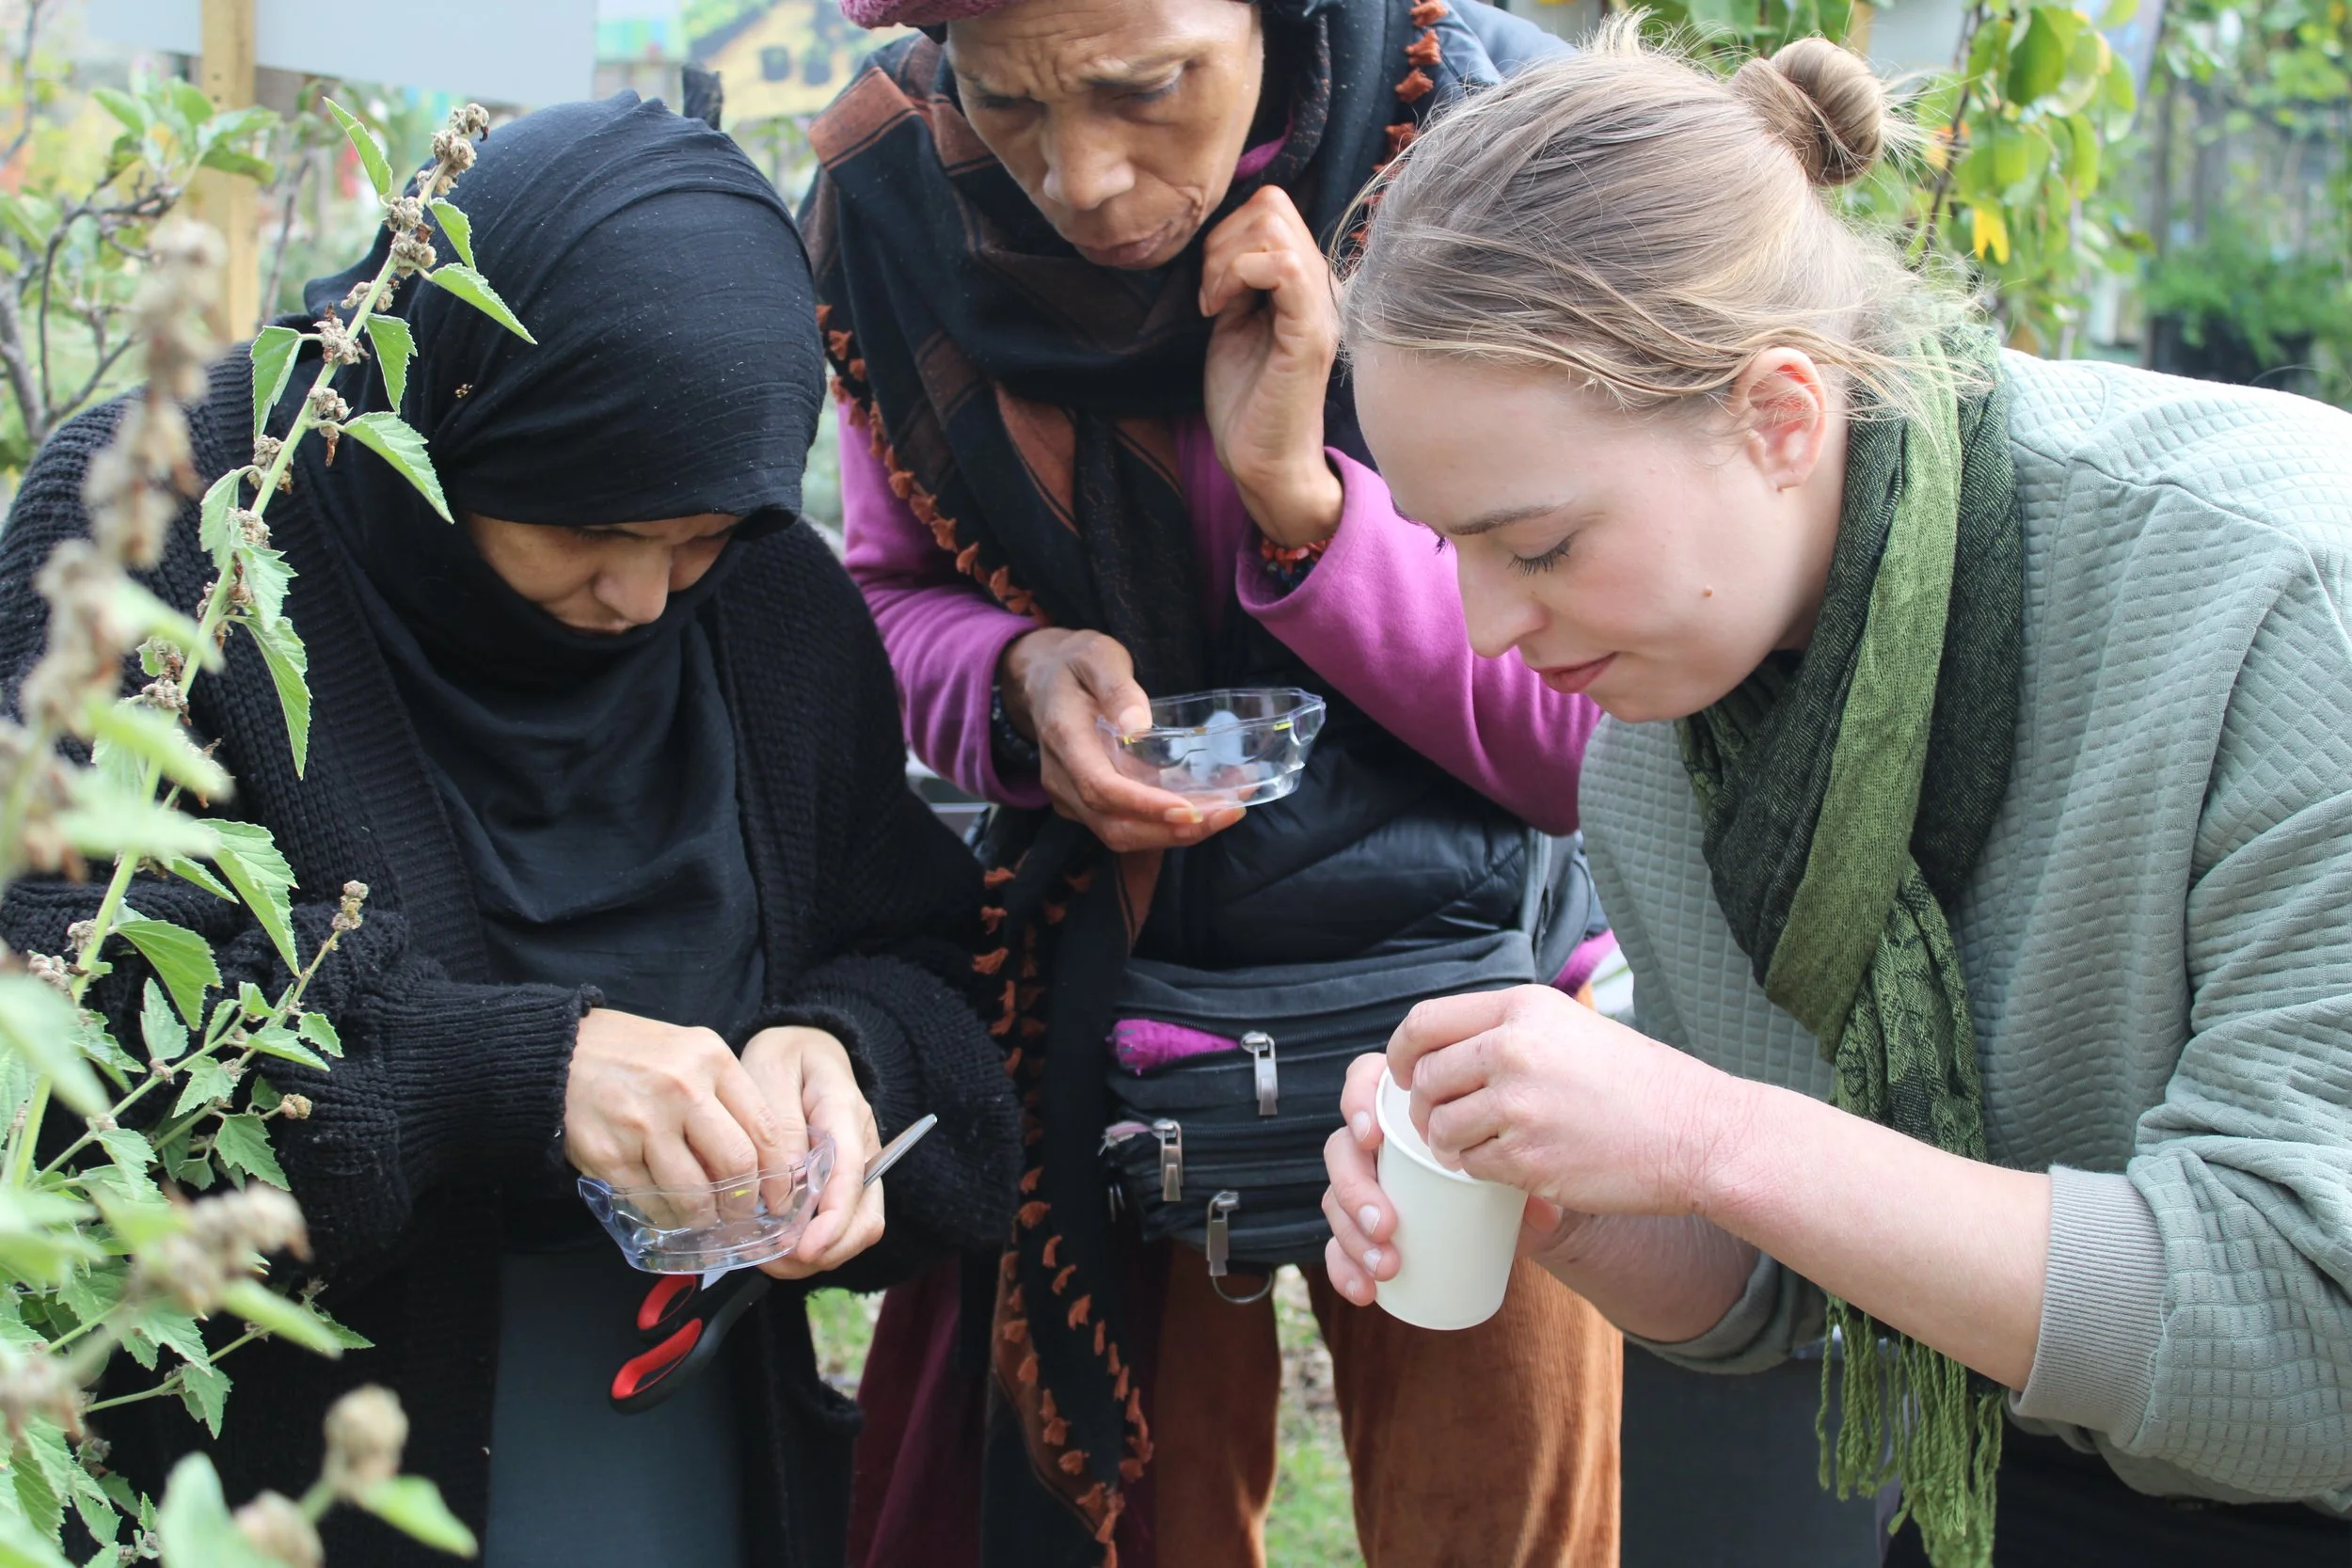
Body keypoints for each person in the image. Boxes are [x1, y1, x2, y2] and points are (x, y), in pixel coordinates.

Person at [1317, 23, 2352, 1568]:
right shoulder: (1668, 729)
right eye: (1443, 541)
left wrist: (1712, 1131)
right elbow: (1789, 1285)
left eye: (1536, 545)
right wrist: (1567, 1198)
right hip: (2012, 1481)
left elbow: (2308, 1333)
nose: (1483, 628)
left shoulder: (2285, 606)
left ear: (1781, 416)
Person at [1, 97, 1021, 1568]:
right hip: (273, 1468)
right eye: (587, 533)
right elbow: (59, 999)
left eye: (694, 539)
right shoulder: (181, 538)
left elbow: (919, 953)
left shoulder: (768, 603)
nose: (643, 599)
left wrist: (845, 1052)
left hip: (678, 1427)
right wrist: (517, 1073)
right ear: (449, 420)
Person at [803, 0, 1624, 1562]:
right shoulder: (900, 203)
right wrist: (1015, 678)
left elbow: (1585, 746)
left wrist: (1302, 500)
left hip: (1477, 1025)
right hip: (1116, 1017)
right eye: (1008, 104)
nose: (1085, 182)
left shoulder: (1505, 163)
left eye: (1145, 87)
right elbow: (890, 597)